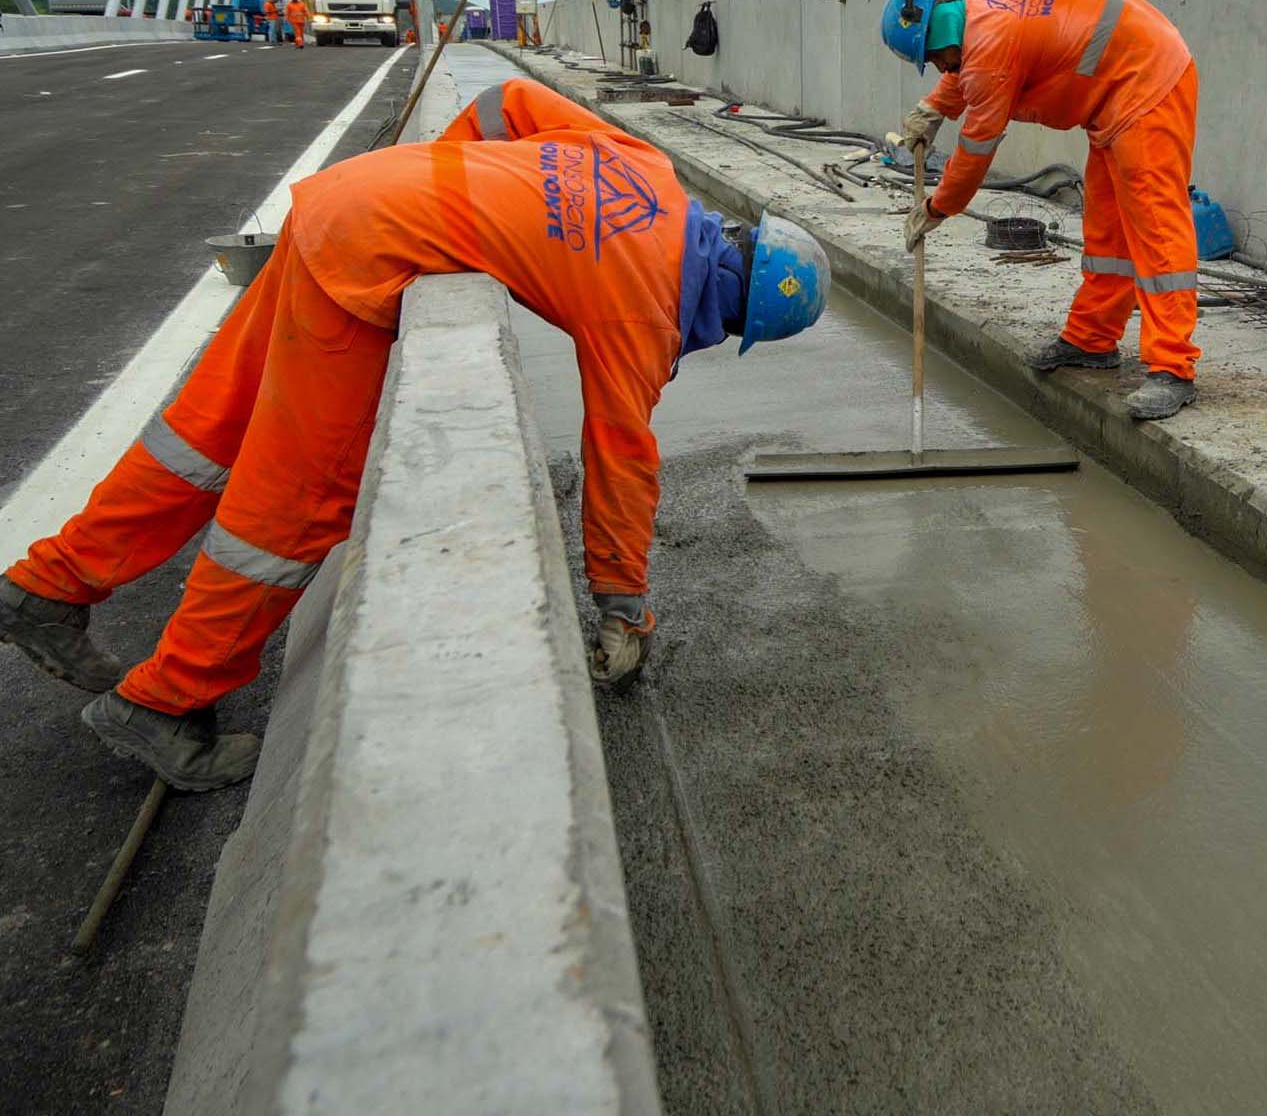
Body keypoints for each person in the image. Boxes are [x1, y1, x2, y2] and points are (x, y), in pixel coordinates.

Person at [0, 78, 829, 791]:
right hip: (365, 254)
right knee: (296, 509)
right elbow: (620, 462)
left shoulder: (645, 167)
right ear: (732, 314)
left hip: (353, 199)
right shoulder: (643, 313)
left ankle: (49, 586)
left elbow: (508, 102)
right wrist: (624, 605)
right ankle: (162, 703)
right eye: (728, 331)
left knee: (208, 432)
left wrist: (447, 190)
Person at [883, 0, 1202, 421]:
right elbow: (966, 65)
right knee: (1108, 230)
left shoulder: (988, 51)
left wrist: (937, 208)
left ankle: (1173, 366)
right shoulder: (980, 13)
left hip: (1148, 82)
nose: (941, 68)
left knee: (1155, 225)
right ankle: (1091, 340)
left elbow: (974, 152)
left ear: (940, 33)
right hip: (1117, 89)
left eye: (936, 59)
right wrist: (933, 108)